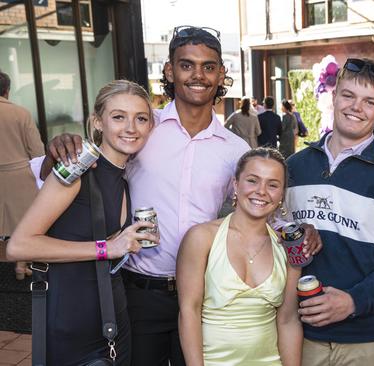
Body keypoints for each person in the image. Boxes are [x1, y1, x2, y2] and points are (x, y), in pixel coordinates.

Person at [36, 26, 250, 365]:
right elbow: (58, 175)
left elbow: (248, 214)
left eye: (209, 66)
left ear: (221, 73)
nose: (198, 75)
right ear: (169, 70)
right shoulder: (142, 130)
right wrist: (56, 151)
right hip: (137, 291)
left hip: (201, 294)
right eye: (186, 64)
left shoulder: (236, 150)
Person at [7, 80, 158, 365]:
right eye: (118, 117)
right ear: (98, 122)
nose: (131, 127)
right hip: (73, 329)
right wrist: (107, 248)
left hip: (113, 323)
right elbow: (19, 246)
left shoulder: (123, 178)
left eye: (141, 118)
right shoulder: (77, 169)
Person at [285, 57, 374, 365]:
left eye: (369, 101)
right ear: (334, 96)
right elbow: (268, 236)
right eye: (348, 95)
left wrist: (352, 302)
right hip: (300, 337)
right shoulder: (293, 168)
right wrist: (295, 233)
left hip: (369, 343)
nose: (356, 108)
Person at [177, 148, 302, 365]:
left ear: (282, 194)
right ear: (236, 184)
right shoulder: (201, 238)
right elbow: (189, 311)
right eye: (252, 181)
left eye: (272, 185)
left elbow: (288, 320)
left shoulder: (287, 247)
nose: (261, 191)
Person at [0, 71, 44, 280]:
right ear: (7, 91)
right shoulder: (20, 113)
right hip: (20, 176)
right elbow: (36, 149)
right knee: (23, 223)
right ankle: (21, 266)